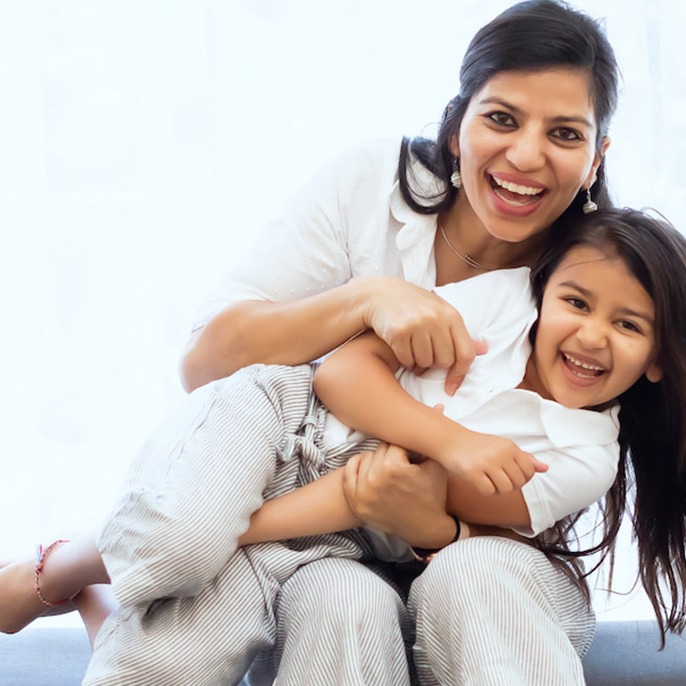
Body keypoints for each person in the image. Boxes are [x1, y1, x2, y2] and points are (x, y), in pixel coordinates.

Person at [2, 1, 628, 683]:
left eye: (564, 133)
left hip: (454, 553)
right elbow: (206, 364)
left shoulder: (597, 284)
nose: (527, 155)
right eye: (501, 118)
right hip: (308, 510)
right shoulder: (372, 185)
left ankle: (104, 579)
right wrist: (365, 299)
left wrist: (434, 527)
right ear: (457, 127)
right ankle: (74, 576)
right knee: (170, 649)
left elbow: (536, 488)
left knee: (438, 579)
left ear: (597, 156)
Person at [2, 208, 686, 686]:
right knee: (180, 541)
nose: (592, 335)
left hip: (336, 529)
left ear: (658, 359)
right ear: (546, 293)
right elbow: (339, 373)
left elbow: (376, 491)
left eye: (628, 325)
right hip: (280, 419)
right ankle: (61, 567)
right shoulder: (507, 302)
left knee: (156, 668)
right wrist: (452, 438)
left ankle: (105, 596)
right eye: (576, 302)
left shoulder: (583, 459)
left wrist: (238, 533)